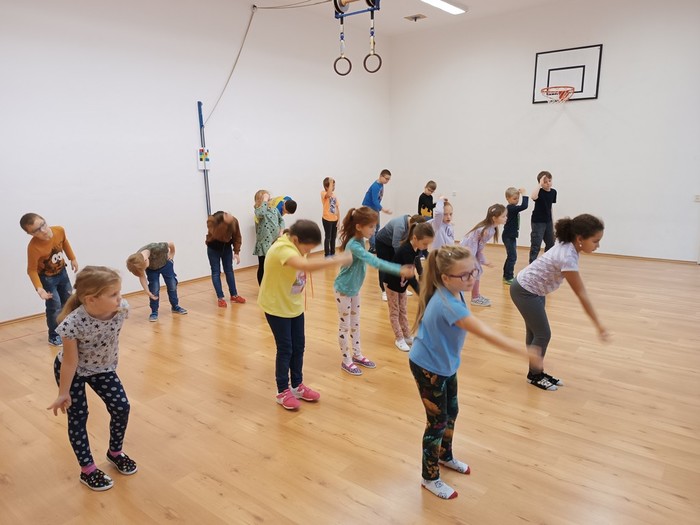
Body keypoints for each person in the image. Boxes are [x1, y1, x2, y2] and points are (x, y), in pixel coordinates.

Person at [409, 246, 543, 500]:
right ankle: (430, 477)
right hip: (428, 368)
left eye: (474, 272)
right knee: (436, 423)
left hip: (445, 364)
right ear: (445, 277)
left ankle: (445, 456)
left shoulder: (453, 290)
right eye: (465, 275)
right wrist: (525, 351)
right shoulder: (450, 305)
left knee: (452, 411)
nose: (472, 278)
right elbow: (486, 333)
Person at [47, 266, 137, 491]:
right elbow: (70, 362)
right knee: (79, 416)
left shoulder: (121, 309)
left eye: (119, 292)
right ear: (91, 299)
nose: (120, 298)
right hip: (74, 370)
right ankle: (87, 470)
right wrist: (63, 393)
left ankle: (115, 452)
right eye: (113, 294)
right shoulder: (72, 324)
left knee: (121, 407)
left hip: (102, 368)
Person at [258, 220, 352, 410]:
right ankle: (282, 391)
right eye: (307, 248)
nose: (307, 252)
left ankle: (297, 385)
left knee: (299, 346)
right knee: (285, 349)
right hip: (276, 307)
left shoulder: (295, 244)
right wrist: (337, 259)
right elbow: (305, 266)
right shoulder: (282, 249)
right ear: (295, 239)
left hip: (293, 305)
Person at [510, 214, 610, 391]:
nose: (598, 245)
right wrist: (599, 325)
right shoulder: (567, 257)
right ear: (580, 239)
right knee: (543, 334)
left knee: (535, 333)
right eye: (595, 241)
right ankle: (535, 375)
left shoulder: (568, 244)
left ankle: (536, 372)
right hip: (525, 291)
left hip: (534, 289)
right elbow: (582, 295)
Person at [334, 207, 414, 376]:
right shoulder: (354, 245)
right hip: (343, 290)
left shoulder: (360, 241)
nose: (374, 230)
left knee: (355, 323)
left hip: (355, 289)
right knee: (345, 326)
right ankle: (346, 360)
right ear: (358, 226)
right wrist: (398, 269)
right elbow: (374, 261)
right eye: (371, 226)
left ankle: (357, 355)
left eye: (374, 226)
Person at [20, 213, 79, 346]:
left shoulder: (59, 230)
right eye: (37, 230)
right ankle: (54, 335)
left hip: (62, 272)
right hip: (47, 279)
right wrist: (39, 288)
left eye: (43, 225)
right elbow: (31, 270)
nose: (43, 230)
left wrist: (72, 258)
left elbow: (65, 242)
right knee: (54, 306)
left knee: (68, 301)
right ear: (30, 234)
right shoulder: (33, 247)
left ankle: (68, 329)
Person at [384, 222, 434, 351]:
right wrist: (421, 292)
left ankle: (406, 336)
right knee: (395, 312)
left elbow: (418, 264)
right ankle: (399, 338)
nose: (426, 247)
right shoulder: (406, 250)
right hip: (391, 284)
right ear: (415, 238)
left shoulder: (416, 249)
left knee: (403, 310)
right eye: (425, 244)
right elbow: (411, 276)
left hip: (402, 284)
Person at [126, 242, 187, 322]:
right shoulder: (137, 260)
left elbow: (171, 244)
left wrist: (172, 253)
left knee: (172, 285)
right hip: (152, 270)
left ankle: (175, 306)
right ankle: (154, 312)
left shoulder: (158, 247)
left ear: (146, 260)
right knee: (154, 290)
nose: (144, 270)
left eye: (144, 268)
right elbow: (142, 276)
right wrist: (148, 292)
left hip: (166, 265)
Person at [460, 204, 507, 307]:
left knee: (477, 271)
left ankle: (475, 296)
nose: (506, 218)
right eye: (503, 216)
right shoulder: (487, 231)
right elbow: (478, 248)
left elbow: (478, 248)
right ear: (494, 218)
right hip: (467, 252)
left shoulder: (490, 228)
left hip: (470, 251)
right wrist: (483, 261)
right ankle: (474, 298)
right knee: (473, 272)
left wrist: (482, 260)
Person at [375, 214, 425, 301]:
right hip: (382, 243)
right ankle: (384, 290)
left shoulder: (411, 226)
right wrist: (402, 258)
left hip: (391, 244)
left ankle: (401, 288)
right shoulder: (400, 226)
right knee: (385, 266)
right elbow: (396, 244)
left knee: (398, 266)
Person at [206, 211, 246, 307]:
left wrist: (236, 252)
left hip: (226, 248)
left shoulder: (234, 221)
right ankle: (220, 298)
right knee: (216, 272)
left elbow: (237, 237)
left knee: (229, 271)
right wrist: (225, 223)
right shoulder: (212, 221)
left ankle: (234, 295)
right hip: (213, 249)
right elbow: (218, 235)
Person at [253, 189, 285, 285]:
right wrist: (265, 201)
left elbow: (281, 220)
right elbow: (261, 213)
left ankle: (273, 285)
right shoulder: (258, 210)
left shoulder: (274, 209)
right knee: (263, 266)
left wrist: (281, 231)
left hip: (274, 242)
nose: (269, 200)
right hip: (264, 244)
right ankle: (262, 287)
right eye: (266, 198)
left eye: (269, 198)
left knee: (274, 265)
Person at [529, 170, 557, 263]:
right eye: (545, 182)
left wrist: (552, 222)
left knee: (551, 243)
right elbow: (533, 197)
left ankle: (546, 262)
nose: (548, 183)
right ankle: (532, 264)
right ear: (541, 183)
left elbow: (550, 207)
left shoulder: (553, 192)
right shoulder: (539, 192)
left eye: (549, 180)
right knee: (536, 244)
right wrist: (539, 184)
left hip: (548, 221)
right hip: (538, 222)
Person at [502, 187, 529, 285]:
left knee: (511, 256)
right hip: (508, 236)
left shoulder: (512, 208)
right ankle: (508, 276)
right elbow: (524, 206)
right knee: (512, 257)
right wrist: (524, 194)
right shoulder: (511, 208)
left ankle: (506, 275)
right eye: (514, 199)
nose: (517, 200)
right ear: (508, 198)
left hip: (511, 236)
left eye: (518, 198)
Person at [361, 169, 393, 252]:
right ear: (381, 176)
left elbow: (377, 200)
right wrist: (383, 209)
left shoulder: (381, 185)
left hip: (375, 207)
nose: (387, 181)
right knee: (372, 227)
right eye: (386, 178)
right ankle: (373, 247)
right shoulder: (375, 186)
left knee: (377, 226)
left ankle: (375, 244)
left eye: (388, 179)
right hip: (369, 207)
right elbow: (375, 200)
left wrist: (378, 209)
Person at [320, 177, 340, 257]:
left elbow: (337, 208)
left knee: (333, 237)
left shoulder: (334, 196)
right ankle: (327, 255)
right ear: (326, 187)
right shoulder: (323, 193)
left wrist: (338, 220)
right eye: (332, 185)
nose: (333, 187)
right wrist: (330, 182)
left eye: (334, 185)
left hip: (334, 220)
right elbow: (328, 195)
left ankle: (333, 253)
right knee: (328, 237)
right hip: (327, 219)